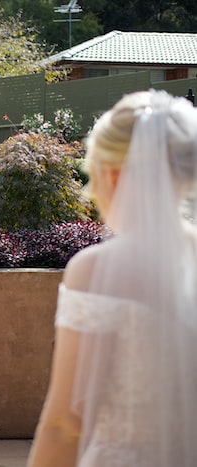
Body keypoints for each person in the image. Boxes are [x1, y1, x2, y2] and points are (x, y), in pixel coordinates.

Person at [27, 90, 197, 467]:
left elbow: (64, 424)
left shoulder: (95, 269)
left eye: (92, 174)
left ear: (115, 175)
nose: (91, 192)